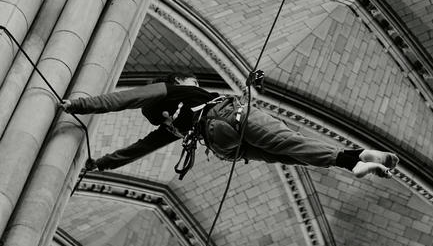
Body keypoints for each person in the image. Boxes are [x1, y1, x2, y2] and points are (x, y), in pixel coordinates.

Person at [62, 75, 398, 178]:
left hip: (222, 145)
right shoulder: (178, 89)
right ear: (177, 81)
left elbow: (136, 150)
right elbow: (122, 99)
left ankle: (353, 161)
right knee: (288, 142)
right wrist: (79, 105)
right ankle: (353, 156)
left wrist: (99, 164)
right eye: (187, 78)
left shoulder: (168, 127)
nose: (192, 78)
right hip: (226, 116)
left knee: (287, 154)